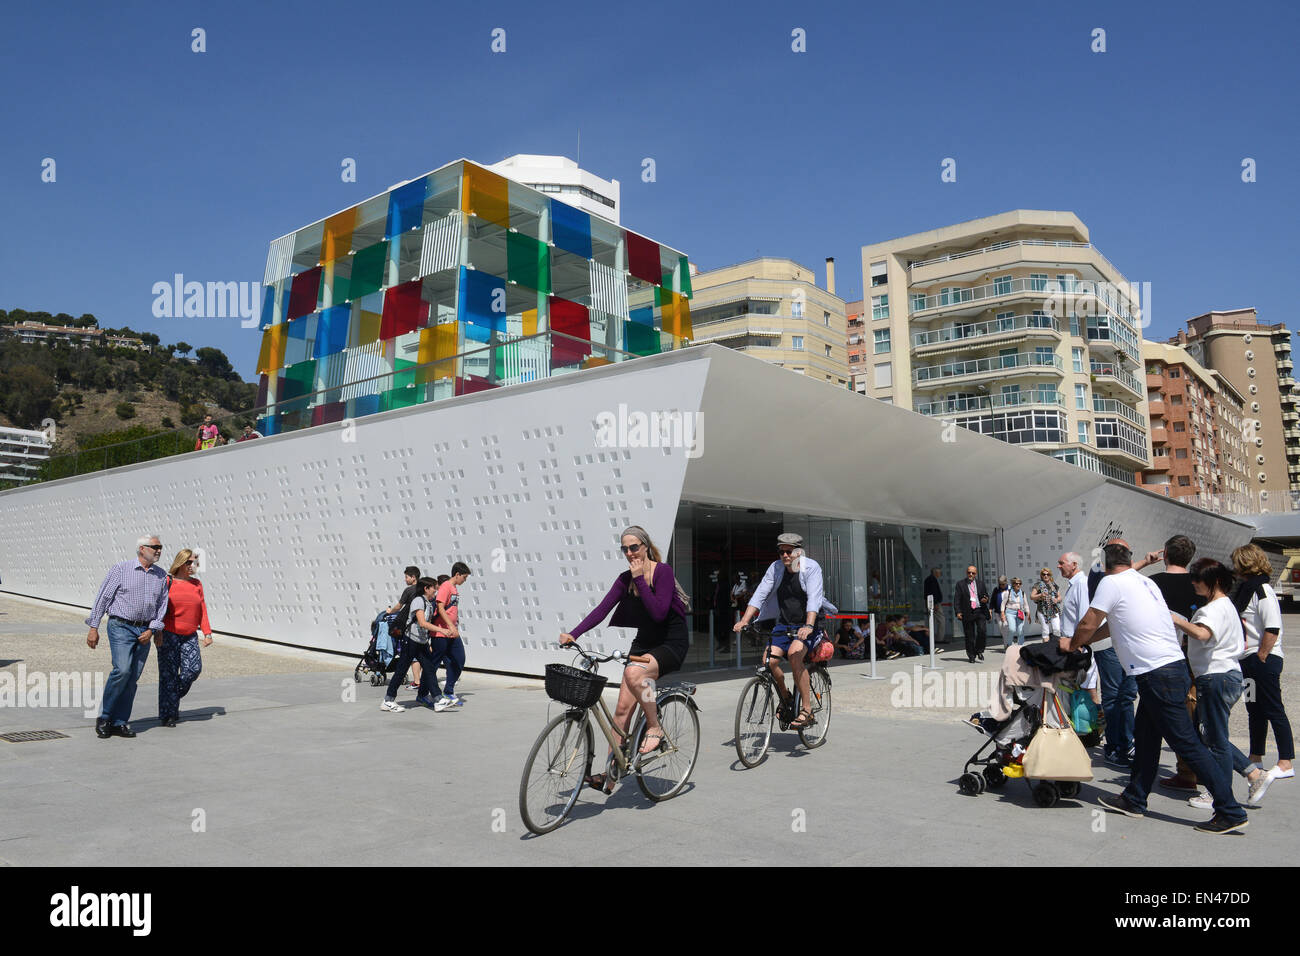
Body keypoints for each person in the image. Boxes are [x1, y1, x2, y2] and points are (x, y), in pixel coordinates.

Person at [1064, 542, 1248, 834]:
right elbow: (1112, 625)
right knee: (1146, 738)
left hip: (1156, 673)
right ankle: (1135, 798)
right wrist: (1083, 643)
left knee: (1187, 743)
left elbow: (1089, 621)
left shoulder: (1112, 583)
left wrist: (1073, 645)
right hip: (1168, 668)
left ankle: (1229, 809)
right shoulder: (1144, 582)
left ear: (1104, 563)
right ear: (1128, 560)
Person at [562, 526, 690, 790]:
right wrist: (574, 634)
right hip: (644, 643)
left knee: (634, 674)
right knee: (621, 712)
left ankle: (654, 727)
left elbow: (658, 613)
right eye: (625, 549)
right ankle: (610, 777)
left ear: (645, 546)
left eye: (634, 547)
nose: (630, 553)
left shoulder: (662, 572)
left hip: (671, 642)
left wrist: (640, 579)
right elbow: (602, 609)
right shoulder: (625, 579)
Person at [1170, 558, 1273, 809]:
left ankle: (1220, 791)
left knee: (1214, 739)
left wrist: (1176, 619)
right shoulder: (1225, 605)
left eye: (1198, 579)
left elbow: (1203, 634)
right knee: (1211, 735)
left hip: (1215, 677)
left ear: (1214, 581)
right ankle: (1253, 774)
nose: (1194, 583)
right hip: (1223, 675)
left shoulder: (1213, 609)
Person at [735, 532, 837, 730]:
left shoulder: (811, 567)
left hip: (810, 623)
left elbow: (814, 598)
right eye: (781, 552)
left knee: (794, 655)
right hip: (784, 623)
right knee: (769, 660)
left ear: (799, 552)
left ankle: (806, 710)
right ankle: (786, 696)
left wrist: (808, 626)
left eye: (789, 552)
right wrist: (744, 620)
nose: (785, 556)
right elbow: (760, 594)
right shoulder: (776, 568)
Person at [86, 535, 170, 739]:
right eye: (154, 547)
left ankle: (120, 722)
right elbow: (103, 597)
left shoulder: (161, 575)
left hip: (144, 631)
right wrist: (93, 627)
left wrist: (154, 630)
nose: (158, 550)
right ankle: (105, 717)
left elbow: (161, 607)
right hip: (121, 626)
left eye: (160, 547)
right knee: (122, 670)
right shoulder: (121, 569)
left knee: (132, 678)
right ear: (142, 549)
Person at [1231, 544, 1294, 786]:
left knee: (1273, 708)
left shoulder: (1262, 590)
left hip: (1263, 661)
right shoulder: (1246, 590)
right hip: (1249, 660)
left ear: (1245, 563)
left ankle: (1286, 761)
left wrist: (1262, 655)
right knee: (1254, 709)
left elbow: (1272, 628)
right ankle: (1255, 756)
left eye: (1236, 563)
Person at [1148, 535, 1202, 792]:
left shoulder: (1152, 583)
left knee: (1172, 717)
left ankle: (1186, 773)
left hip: (1164, 656)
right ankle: (1201, 767)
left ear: (1165, 554)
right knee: (1197, 712)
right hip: (1198, 653)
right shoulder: (1199, 583)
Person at [156, 549, 212, 727]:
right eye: (188, 562)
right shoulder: (167, 581)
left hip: (189, 635)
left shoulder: (197, 584)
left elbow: (202, 609)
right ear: (180, 563)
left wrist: (207, 632)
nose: (192, 566)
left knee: (193, 669)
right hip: (168, 634)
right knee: (169, 674)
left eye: (194, 562)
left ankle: (169, 699)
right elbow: (158, 607)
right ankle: (168, 715)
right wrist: (156, 630)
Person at [379, 577, 450, 712]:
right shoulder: (418, 600)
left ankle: (438, 699)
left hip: (421, 642)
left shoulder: (428, 602)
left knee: (429, 669)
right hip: (411, 640)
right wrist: (441, 630)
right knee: (401, 670)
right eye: (433, 588)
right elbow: (422, 623)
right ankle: (388, 700)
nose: (435, 590)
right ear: (426, 588)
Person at [430, 562, 472, 711]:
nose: (465, 580)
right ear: (457, 574)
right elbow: (440, 607)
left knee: (459, 660)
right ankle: (426, 693)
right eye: (464, 577)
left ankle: (448, 691)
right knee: (433, 665)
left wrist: (455, 624)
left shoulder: (454, 589)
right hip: (441, 632)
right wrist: (450, 625)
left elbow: (452, 609)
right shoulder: (446, 586)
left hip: (452, 632)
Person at [387, 567, 422, 690]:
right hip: (420, 625)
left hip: (407, 625)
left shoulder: (409, 590)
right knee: (418, 655)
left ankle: (415, 682)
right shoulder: (423, 589)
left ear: (413, 577)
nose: (405, 579)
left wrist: (390, 612)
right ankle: (418, 681)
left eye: (407, 576)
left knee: (407, 655)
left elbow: (399, 606)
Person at [953, 565, 990, 663]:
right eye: (969, 572)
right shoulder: (960, 584)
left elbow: (986, 595)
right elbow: (957, 599)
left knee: (982, 631)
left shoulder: (980, 584)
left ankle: (979, 650)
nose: (971, 574)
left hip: (980, 610)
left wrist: (985, 599)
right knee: (969, 636)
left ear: (976, 574)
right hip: (967, 612)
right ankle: (971, 655)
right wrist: (958, 611)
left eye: (973, 573)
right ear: (966, 573)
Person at [1030, 568, 1063, 640]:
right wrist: (1040, 595)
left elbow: (1060, 597)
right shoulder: (1038, 585)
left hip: (1054, 610)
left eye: (1048, 574)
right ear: (1041, 575)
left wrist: (1056, 599)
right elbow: (1032, 596)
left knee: (1057, 629)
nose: (1046, 576)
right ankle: (1046, 649)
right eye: (1044, 574)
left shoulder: (1054, 585)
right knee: (1045, 631)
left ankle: (1056, 647)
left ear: (1050, 575)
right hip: (1043, 610)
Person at [1000, 577, 1029, 646]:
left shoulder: (1022, 593)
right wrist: (1002, 614)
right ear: (1013, 584)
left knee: (1020, 631)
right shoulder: (1008, 592)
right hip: (1010, 612)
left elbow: (1026, 604)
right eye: (1016, 583)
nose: (1018, 585)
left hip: (1020, 613)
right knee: (1012, 629)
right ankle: (1009, 644)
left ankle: (1020, 646)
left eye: (1020, 583)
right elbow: (1003, 604)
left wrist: (1028, 613)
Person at [924, 568, 946, 645]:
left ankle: (932, 638)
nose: (940, 574)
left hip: (932, 603)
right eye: (939, 573)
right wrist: (935, 603)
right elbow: (933, 592)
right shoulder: (932, 580)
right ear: (935, 573)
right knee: (941, 620)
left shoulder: (929, 579)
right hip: (934, 603)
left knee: (932, 620)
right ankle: (939, 638)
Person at [989, 575, 1008, 646]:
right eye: (1000, 584)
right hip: (998, 612)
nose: (1001, 586)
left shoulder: (1010, 589)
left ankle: (1006, 645)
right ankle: (1008, 642)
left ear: (1006, 582)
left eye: (1003, 584)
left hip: (1007, 612)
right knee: (1001, 628)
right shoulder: (996, 589)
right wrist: (990, 610)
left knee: (1005, 627)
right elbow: (992, 601)